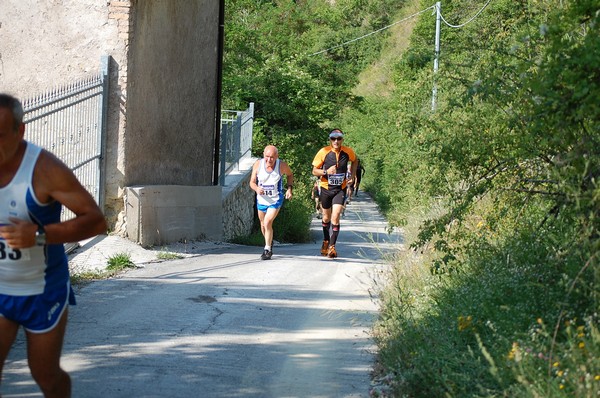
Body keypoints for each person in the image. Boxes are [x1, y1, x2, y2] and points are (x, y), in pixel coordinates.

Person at [0, 93, 107, 397]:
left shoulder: (44, 170)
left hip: (42, 289)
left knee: (45, 375)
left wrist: (38, 235)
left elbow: (96, 221)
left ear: (20, 131)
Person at [312, 129, 357, 258]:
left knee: (335, 216)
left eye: (339, 138)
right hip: (326, 188)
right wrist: (326, 172)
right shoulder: (323, 152)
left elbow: (355, 161)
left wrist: (352, 176)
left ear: (342, 139)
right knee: (326, 218)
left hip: (340, 189)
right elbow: (314, 171)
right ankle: (326, 241)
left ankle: (332, 247)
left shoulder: (348, 152)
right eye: (333, 138)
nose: (336, 141)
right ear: (330, 139)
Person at [249, 145, 293, 260]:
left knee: (268, 222)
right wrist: (257, 189)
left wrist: (289, 189)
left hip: (275, 199)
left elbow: (290, 175)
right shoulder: (258, 164)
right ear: (263, 155)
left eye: (272, 157)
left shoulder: (282, 165)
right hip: (262, 199)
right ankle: (269, 242)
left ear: (277, 157)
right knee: (263, 224)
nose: (269, 160)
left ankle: (267, 249)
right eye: (267, 157)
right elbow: (252, 182)